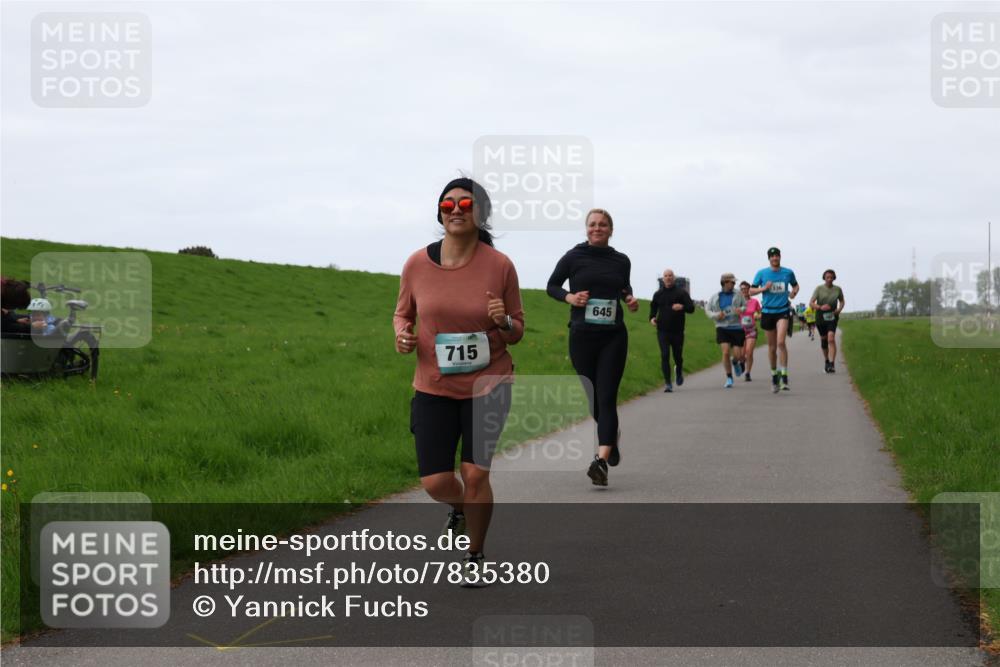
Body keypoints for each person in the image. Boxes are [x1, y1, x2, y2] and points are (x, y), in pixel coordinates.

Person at [393, 177, 524, 586]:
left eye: (465, 203)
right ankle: (462, 509)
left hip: (489, 384)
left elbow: (517, 329)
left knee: (475, 474)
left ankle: (474, 553)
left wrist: (502, 320)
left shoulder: (499, 265)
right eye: (447, 203)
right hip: (433, 385)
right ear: (440, 212)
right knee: (435, 481)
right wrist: (402, 334)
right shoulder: (417, 263)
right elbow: (402, 313)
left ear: (480, 212)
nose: (455, 209)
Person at [547, 208, 639, 486]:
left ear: (611, 230)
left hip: (613, 336)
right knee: (594, 400)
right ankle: (610, 440)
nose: (597, 228)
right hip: (581, 336)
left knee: (607, 396)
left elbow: (624, 288)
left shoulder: (621, 260)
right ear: (586, 229)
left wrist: (630, 299)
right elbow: (552, 286)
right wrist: (570, 297)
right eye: (592, 225)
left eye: (602, 225)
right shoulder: (574, 257)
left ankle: (600, 461)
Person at [750, 247, 799, 393]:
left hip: (783, 311)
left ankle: (784, 376)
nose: (775, 258)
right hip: (767, 312)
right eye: (772, 257)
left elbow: (796, 285)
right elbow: (751, 291)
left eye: (777, 256)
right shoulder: (762, 273)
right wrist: (764, 288)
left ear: (780, 257)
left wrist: (793, 293)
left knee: (781, 342)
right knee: (771, 347)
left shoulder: (788, 272)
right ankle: (774, 376)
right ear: (769, 259)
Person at [649, 268, 695, 392]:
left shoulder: (681, 293)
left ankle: (679, 370)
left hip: (677, 331)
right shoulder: (658, 294)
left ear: (673, 278)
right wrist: (652, 318)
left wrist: (682, 307)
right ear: (663, 278)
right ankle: (668, 383)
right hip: (662, 330)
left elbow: (691, 308)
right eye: (666, 276)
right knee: (664, 355)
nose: (668, 278)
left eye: (670, 275)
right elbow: (653, 307)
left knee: (677, 356)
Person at [705, 273, 747, 388]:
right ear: (724, 282)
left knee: (738, 355)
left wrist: (741, 309)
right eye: (731, 282)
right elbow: (707, 310)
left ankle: (735, 363)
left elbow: (745, 305)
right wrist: (717, 315)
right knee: (726, 352)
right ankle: (729, 377)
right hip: (722, 327)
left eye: (734, 282)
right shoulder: (715, 297)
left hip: (737, 327)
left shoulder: (738, 294)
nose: (733, 284)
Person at [810, 269, 846, 373]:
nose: (829, 279)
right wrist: (820, 307)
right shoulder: (819, 289)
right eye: (827, 277)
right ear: (824, 278)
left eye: (831, 277)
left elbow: (842, 301)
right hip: (820, 316)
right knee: (824, 340)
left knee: (831, 338)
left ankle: (832, 363)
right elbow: (811, 303)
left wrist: (839, 310)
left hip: (832, 316)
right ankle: (826, 360)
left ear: (834, 278)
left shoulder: (838, 289)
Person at [738, 281, 761, 381]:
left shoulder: (755, 302)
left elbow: (761, 313)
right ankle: (742, 362)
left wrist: (758, 316)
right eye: (742, 289)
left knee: (749, 352)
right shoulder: (737, 302)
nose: (744, 291)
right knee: (741, 355)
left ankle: (748, 373)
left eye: (746, 289)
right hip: (739, 330)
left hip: (751, 329)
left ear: (749, 290)